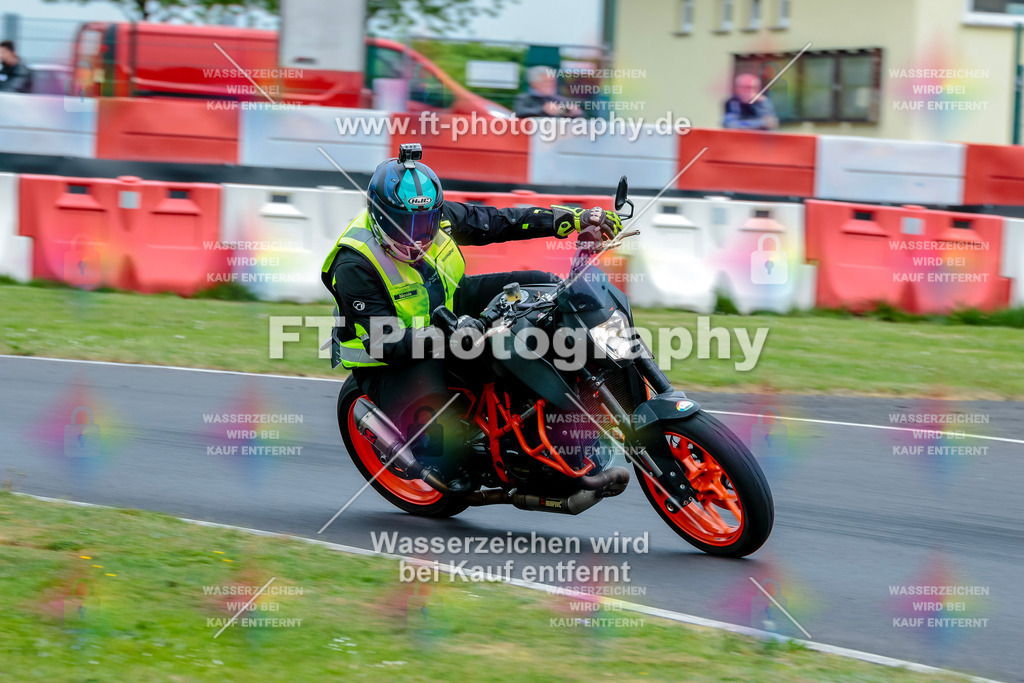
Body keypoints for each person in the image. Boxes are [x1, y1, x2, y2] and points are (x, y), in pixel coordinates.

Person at [321, 144, 622, 492]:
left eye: (426, 223)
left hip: (449, 310)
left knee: (547, 286)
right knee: (452, 465)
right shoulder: (354, 264)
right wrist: (450, 337)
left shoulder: (441, 216)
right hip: (390, 358)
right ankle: (450, 460)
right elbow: (385, 342)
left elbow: (499, 221)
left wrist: (570, 219)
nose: (418, 235)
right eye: (405, 224)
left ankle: (566, 399)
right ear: (378, 216)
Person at [514, 65, 582, 118]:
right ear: (533, 83)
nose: (551, 84)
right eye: (546, 81)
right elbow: (519, 113)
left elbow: (581, 117)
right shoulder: (524, 98)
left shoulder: (560, 100)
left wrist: (575, 113)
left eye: (552, 81)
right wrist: (543, 109)